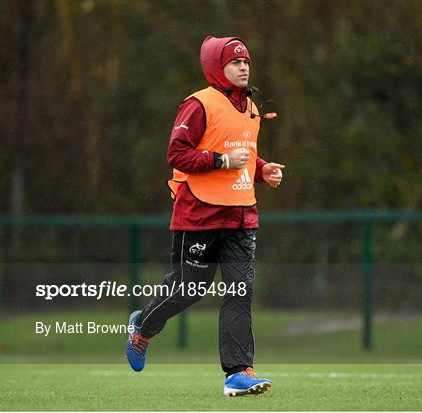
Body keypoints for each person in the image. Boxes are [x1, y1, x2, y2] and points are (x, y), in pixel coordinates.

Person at [125, 35, 284, 397]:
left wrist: (262, 170)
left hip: (242, 216)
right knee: (189, 290)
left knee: (239, 292)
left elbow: (241, 150)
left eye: (246, 62)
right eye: (234, 62)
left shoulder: (251, 107)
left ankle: (237, 372)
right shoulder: (198, 104)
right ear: (217, 67)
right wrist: (220, 162)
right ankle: (143, 328)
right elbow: (177, 154)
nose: (243, 67)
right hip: (199, 214)